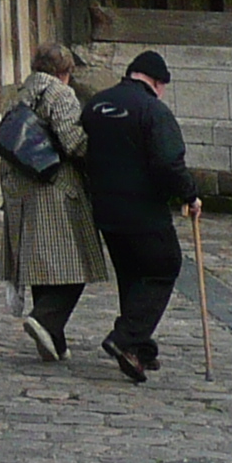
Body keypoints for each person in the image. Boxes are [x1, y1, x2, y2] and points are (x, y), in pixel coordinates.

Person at [78, 48, 196, 382]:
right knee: (163, 266)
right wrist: (189, 193)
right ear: (157, 82)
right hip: (143, 208)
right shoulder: (153, 110)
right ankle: (125, 338)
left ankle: (139, 348)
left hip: (105, 207)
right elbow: (168, 162)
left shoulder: (97, 104)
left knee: (132, 274)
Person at [0, 42, 111, 362]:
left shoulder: (20, 94)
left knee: (43, 264)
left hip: (21, 189)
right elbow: (73, 142)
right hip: (55, 188)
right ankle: (46, 319)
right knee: (76, 262)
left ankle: (53, 339)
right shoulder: (60, 95)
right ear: (66, 71)